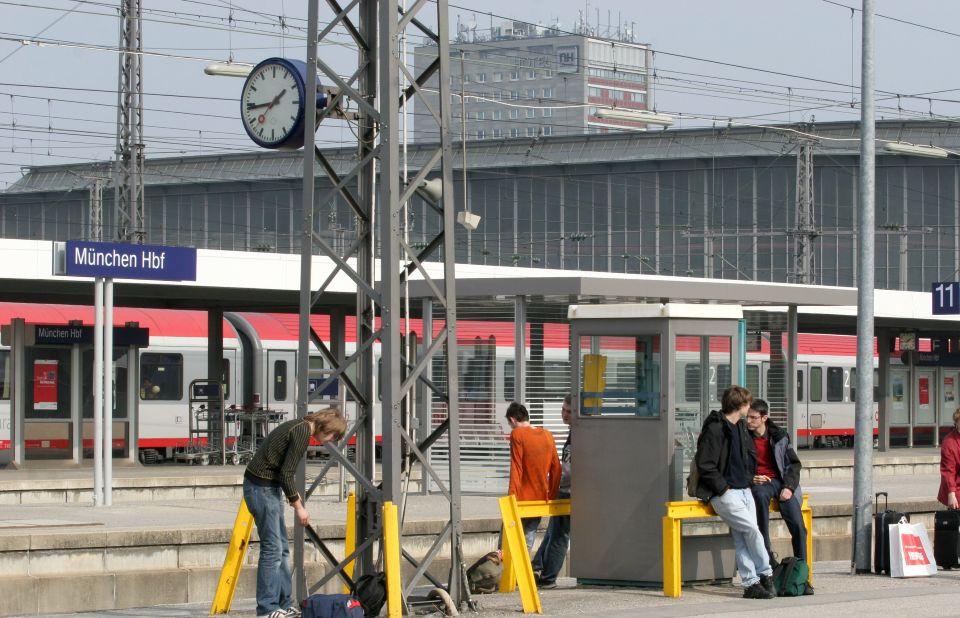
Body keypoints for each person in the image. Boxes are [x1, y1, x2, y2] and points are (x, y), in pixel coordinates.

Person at [243, 408, 347, 618]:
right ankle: (267, 608)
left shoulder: (298, 425)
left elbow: (282, 473)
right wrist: (299, 507)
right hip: (261, 489)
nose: (330, 441)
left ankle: (283, 603)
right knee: (273, 550)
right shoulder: (301, 433)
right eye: (332, 436)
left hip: (265, 488)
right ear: (325, 427)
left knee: (281, 549)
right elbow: (287, 473)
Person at [693, 385, 775, 600]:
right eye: (748, 403)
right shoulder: (715, 428)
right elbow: (705, 464)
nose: (750, 408)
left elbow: (747, 456)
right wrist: (723, 487)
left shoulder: (739, 427)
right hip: (725, 493)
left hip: (744, 490)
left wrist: (748, 480)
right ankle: (766, 573)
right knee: (752, 531)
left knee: (742, 538)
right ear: (741, 405)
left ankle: (750, 584)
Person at [746, 399, 812, 594]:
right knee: (761, 520)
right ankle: (769, 565)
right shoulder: (743, 437)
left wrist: (789, 487)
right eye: (747, 417)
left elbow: (794, 464)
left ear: (764, 418)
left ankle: (801, 574)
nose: (748, 421)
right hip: (759, 483)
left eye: (753, 417)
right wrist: (751, 478)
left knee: (799, 527)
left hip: (781, 482)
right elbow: (736, 466)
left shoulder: (779, 436)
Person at [506, 401, 562, 553]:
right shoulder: (547, 435)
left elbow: (516, 468)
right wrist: (551, 494)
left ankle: (507, 574)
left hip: (521, 497)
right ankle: (522, 574)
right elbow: (556, 468)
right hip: (540, 497)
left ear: (512, 420)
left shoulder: (517, 434)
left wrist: (511, 496)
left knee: (508, 539)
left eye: (511, 424)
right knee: (528, 538)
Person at [532, 394, 573, 589]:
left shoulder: (578, 435)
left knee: (559, 535)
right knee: (552, 531)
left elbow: (570, 468)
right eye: (563, 410)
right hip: (563, 488)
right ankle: (537, 566)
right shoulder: (573, 432)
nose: (564, 414)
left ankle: (548, 577)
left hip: (569, 490)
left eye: (569, 411)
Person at [938, 408, 960, 510]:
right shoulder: (949, 442)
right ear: (956, 423)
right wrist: (951, 493)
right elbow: (948, 471)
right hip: (956, 489)